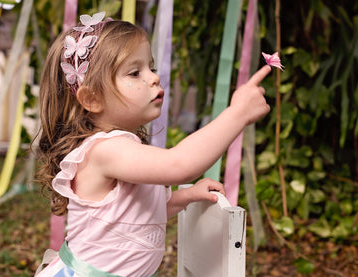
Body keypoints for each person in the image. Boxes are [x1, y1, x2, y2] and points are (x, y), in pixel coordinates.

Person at [34, 11, 270, 277]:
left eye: (151, 67)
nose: (153, 78)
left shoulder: (119, 147)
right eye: (135, 73)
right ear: (93, 99)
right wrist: (237, 113)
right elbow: (179, 164)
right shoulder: (103, 150)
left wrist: (184, 198)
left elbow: (134, 218)